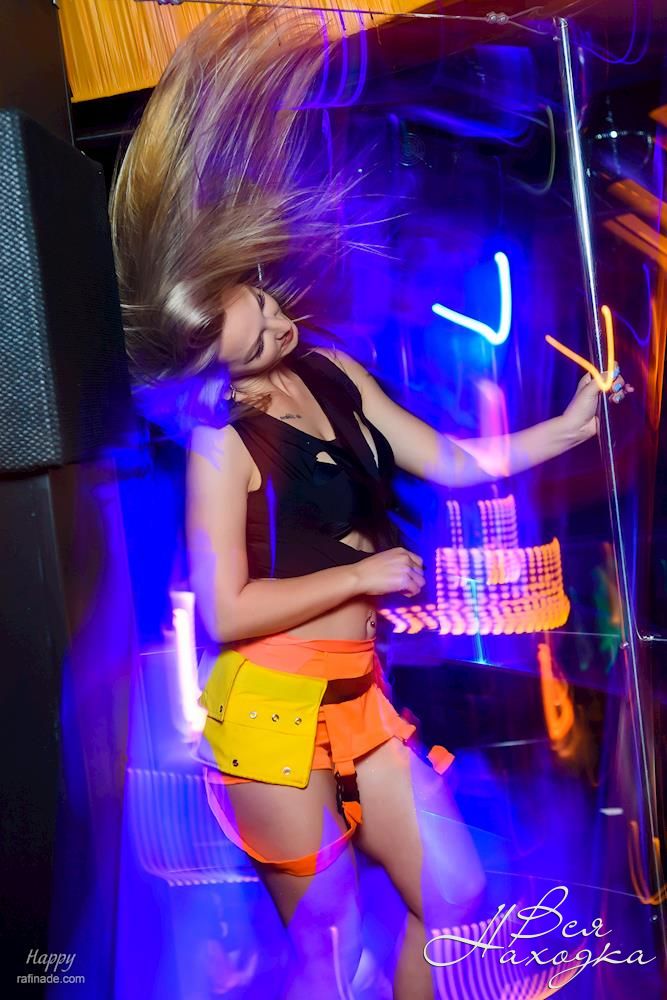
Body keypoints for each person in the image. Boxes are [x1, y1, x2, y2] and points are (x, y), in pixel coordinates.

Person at [108, 7, 633, 998]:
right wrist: (360, 574)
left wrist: (566, 429)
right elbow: (225, 608)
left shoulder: (334, 372)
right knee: (325, 941)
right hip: (268, 715)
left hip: (357, 696)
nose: (278, 324)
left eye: (264, 304)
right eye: (253, 337)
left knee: (456, 893)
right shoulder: (223, 443)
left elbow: (444, 457)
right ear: (210, 368)